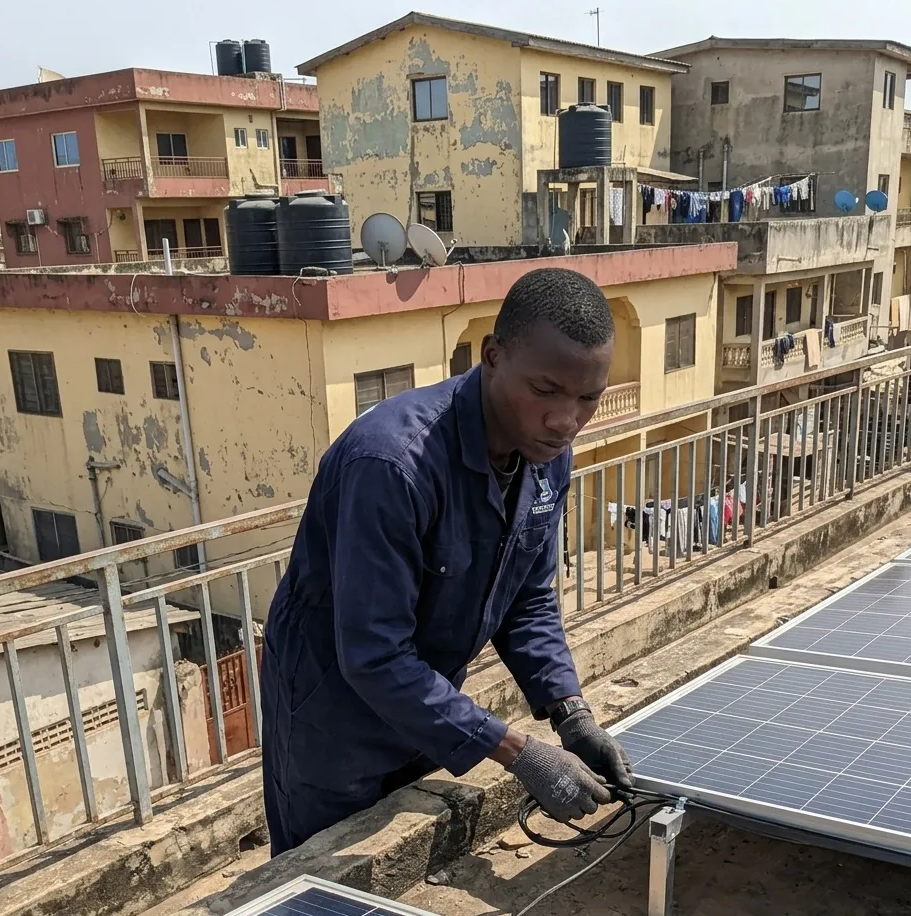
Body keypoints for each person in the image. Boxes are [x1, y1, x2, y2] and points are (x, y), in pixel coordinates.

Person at [260, 267, 634, 855]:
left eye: (588, 397)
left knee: (401, 860)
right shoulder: (392, 466)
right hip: (332, 717)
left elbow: (528, 601)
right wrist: (518, 751)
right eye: (545, 391)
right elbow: (374, 655)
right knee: (323, 876)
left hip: (426, 705)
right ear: (491, 356)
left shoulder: (546, 456)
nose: (566, 420)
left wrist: (570, 712)